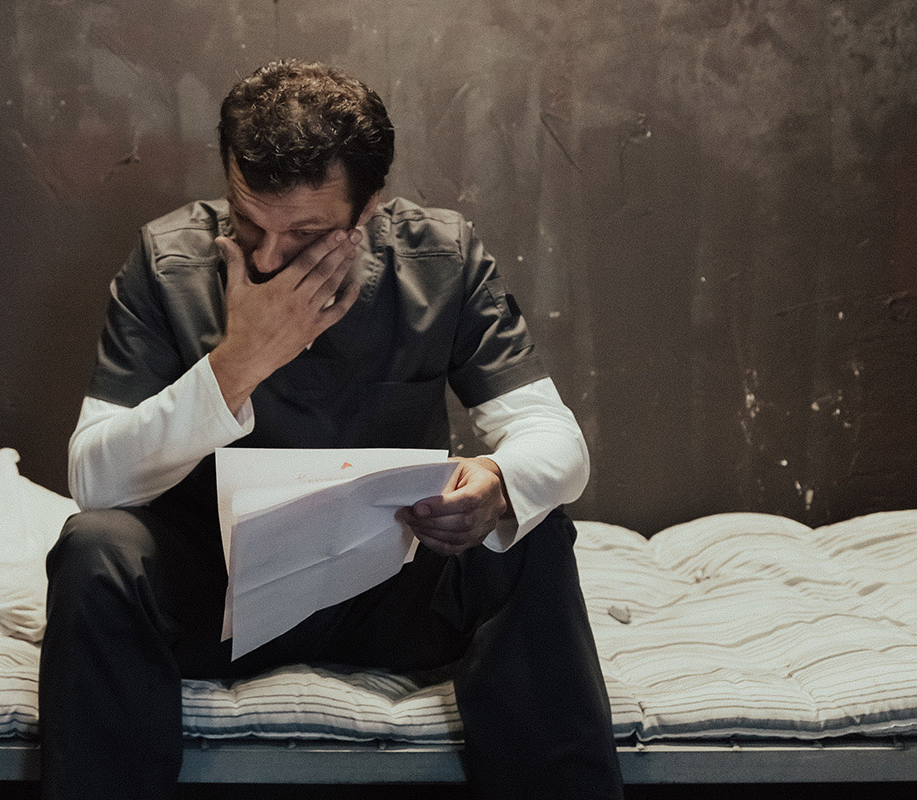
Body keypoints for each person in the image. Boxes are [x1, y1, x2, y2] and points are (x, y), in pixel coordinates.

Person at [39, 60, 623, 799]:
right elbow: (93, 479)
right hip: (214, 595)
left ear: (370, 207)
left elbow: (554, 438)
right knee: (95, 548)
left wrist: (499, 484)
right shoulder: (167, 262)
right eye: (249, 225)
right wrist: (237, 364)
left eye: (308, 234)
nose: (271, 258)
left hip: (389, 582)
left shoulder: (440, 259)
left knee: (532, 528)